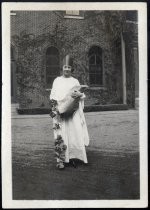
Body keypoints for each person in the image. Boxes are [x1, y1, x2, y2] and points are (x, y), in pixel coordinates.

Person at [49, 54, 89, 170]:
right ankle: (61, 159)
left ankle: (72, 157)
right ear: (62, 68)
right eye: (65, 67)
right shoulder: (57, 81)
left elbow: (81, 94)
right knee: (60, 134)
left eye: (69, 67)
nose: (67, 69)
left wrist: (80, 94)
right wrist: (56, 108)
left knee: (74, 133)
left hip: (73, 112)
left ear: (72, 69)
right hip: (60, 112)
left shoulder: (75, 81)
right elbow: (52, 95)